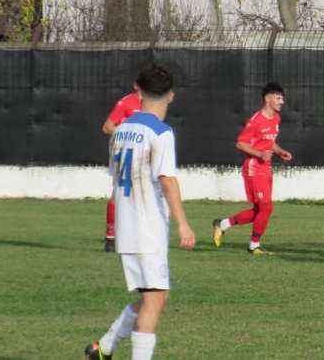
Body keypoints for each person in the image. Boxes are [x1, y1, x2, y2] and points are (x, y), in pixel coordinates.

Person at [84, 64, 195, 360]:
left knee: (155, 297)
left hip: (126, 225)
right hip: (147, 229)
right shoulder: (161, 132)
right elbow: (167, 179)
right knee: (154, 302)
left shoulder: (121, 131)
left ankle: (104, 347)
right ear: (171, 96)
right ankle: (111, 349)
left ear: (138, 90)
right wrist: (183, 224)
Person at [212, 83, 293, 255]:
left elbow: (270, 141)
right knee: (266, 208)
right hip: (254, 168)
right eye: (278, 98)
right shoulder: (256, 120)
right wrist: (259, 154)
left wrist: (280, 151)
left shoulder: (276, 118)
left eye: (282, 98)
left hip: (266, 167)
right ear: (267, 98)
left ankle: (223, 224)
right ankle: (254, 245)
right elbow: (240, 143)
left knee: (260, 210)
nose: (282, 102)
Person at [100, 88, 142, 252]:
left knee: (139, 192)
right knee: (119, 191)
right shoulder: (126, 102)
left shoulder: (152, 104)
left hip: (141, 153)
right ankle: (111, 237)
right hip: (124, 153)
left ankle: (129, 235)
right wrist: (126, 134)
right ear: (136, 85)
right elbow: (107, 127)